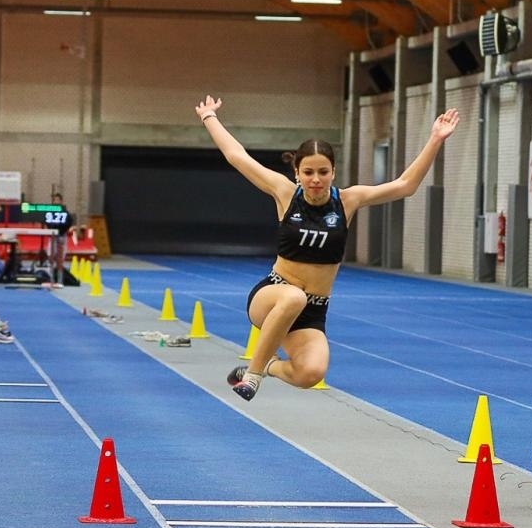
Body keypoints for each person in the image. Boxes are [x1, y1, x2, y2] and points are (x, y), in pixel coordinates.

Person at [195, 94, 460, 401]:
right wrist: (209, 117)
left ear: (333, 172)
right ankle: (252, 375)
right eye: (308, 172)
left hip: (314, 309)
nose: (316, 180)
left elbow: (405, 185)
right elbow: (236, 156)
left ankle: (268, 366)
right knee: (293, 296)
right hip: (272, 296)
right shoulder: (285, 193)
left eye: (323, 172)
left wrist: (435, 139)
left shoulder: (348, 200)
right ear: (297, 173)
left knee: (311, 373)